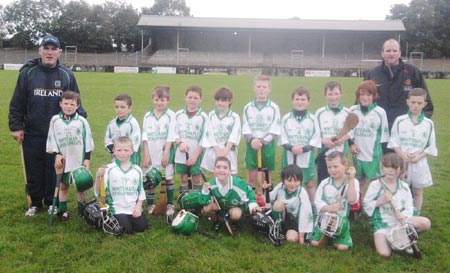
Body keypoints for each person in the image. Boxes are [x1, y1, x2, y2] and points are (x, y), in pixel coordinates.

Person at [9, 34, 87, 216]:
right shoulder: (27, 73)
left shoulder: (67, 75)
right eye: (47, 48)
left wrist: (81, 123)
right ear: (40, 51)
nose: (50, 52)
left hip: (59, 135)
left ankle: (52, 201)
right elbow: (17, 102)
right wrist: (16, 126)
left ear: (59, 52)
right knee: (34, 168)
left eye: (54, 49)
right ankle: (35, 202)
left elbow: (76, 103)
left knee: (54, 169)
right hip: (32, 131)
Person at [363, 153, 431, 257]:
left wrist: (404, 216)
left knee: (426, 223)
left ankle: (405, 238)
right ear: (382, 167)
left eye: (394, 167)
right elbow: (365, 204)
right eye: (387, 167)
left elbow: (409, 207)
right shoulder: (376, 185)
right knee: (384, 253)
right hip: (383, 223)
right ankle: (396, 239)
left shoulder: (404, 186)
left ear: (401, 170)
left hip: (401, 220)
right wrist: (380, 201)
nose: (390, 170)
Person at [364, 38, 434, 131]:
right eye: (388, 51)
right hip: (378, 130)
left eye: (395, 50)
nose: (391, 53)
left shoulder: (412, 72)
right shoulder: (372, 74)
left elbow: (426, 104)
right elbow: (361, 100)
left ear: (400, 53)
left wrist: (420, 124)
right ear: (382, 53)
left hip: (405, 131)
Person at [387, 88, 437, 215]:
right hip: (402, 161)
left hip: (419, 162)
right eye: (413, 102)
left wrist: (419, 156)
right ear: (407, 102)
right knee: (400, 189)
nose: (416, 106)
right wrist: (402, 155)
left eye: (419, 103)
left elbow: (430, 146)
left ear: (424, 104)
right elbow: (394, 142)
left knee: (418, 191)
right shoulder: (400, 120)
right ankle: (399, 213)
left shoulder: (428, 124)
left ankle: (415, 216)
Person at [46, 91, 94, 220]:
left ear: (77, 106)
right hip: (64, 160)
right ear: (60, 104)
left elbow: (88, 140)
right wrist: (56, 154)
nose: (69, 106)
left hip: (78, 159)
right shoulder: (55, 120)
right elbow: (52, 138)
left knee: (81, 186)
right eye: (66, 103)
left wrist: (87, 158)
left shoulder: (82, 121)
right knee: (63, 186)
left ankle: (82, 210)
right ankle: (63, 211)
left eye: (72, 104)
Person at [95, 136, 148, 234]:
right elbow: (98, 192)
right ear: (114, 151)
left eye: (126, 150)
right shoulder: (109, 169)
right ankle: (111, 220)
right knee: (126, 230)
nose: (122, 153)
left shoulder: (137, 170)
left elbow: (141, 192)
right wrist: (98, 177)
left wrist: (138, 207)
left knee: (142, 227)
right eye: (119, 150)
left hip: (132, 208)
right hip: (116, 210)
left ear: (132, 151)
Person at [280, 87, 321, 204]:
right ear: (292, 100)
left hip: (306, 157)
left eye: (303, 99)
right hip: (289, 156)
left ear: (308, 101)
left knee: (310, 183)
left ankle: (313, 208)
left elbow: (315, 138)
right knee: (288, 182)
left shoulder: (313, 119)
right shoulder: (286, 118)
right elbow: (283, 137)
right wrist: (291, 148)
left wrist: (304, 149)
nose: (300, 102)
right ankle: (288, 206)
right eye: (297, 99)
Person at [311, 151, 359, 251]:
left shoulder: (352, 182)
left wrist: (351, 180)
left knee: (342, 247)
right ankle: (327, 236)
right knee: (315, 243)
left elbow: (352, 200)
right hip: (325, 219)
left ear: (345, 165)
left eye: (335, 166)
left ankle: (337, 238)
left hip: (341, 221)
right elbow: (317, 202)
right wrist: (329, 208)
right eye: (329, 167)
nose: (332, 170)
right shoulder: (325, 183)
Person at [242, 75, 281, 193]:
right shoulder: (248, 107)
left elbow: (275, 127)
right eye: (259, 86)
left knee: (266, 176)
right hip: (252, 145)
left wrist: (264, 141)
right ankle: (251, 202)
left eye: (264, 87)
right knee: (252, 176)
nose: (261, 89)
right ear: (254, 88)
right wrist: (252, 140)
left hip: (267, 146)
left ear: (269, 89)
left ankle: (266, 201)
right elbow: (245, 126)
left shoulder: (274, 107)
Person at [201, 156, 261, 231]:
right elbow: (204, 201)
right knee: (206, 208)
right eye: (218, 167)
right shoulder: (211, 184)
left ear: (230, 171)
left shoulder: (238, 184)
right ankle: (217, 221)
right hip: (220, 207)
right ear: (214, 170)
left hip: (234, 207)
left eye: (225, 168)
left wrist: (253, 205)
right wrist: (205, 191)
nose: (221, 170)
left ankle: (233, 222)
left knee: (236, 214)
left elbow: (249, 192)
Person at [142, 85, 176, 216]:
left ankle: (169, 204)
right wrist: (146, 154)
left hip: (164, 153)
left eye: (162, 100)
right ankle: (151, 204)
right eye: (157, 99)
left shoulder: (170, 115)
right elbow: (145, 136)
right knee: (151, 179)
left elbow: (171, 135)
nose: (159, 103)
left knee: (168, 178)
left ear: (168, 100)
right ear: (153, 99)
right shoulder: (147, 116)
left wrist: (166, 152)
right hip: (151, 152)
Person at [349, 80, 389, 192]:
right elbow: (348, 132)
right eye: (362, 94)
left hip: (373, 156)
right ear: (358, 96)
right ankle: (357, 206)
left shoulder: (380, 112)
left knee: (374, 183)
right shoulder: (352, 110)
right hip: (357, 154)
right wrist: (351, 145)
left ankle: (372, 206)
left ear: (374, 96)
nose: (365, 97)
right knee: (359, 182)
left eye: (368, 94)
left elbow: (384, 137)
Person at [174, 85, 211, 194]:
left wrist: (195, 156)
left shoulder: (203, 117)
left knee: (196, 178)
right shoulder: (178, 115)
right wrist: (180, 143)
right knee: (184, 178)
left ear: (200, 99)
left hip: (196, 154)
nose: (192, 100)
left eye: (195, 98)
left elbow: (204, 138)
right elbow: (174, 132)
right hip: (181, 153)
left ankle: (197, 201)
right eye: (190, 97)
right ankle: (185, 200)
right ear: (185, 98)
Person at [266, 164, 314, 244]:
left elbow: (304, 214)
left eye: (296, 181)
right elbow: (269, 200)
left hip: (294, 221)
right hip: (282, 217)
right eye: (289, 180)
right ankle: (277, 229)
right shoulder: (280, 187)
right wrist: (265, 190)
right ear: (283, 180)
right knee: (278, 204)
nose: (292, 184)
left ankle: (286, 232)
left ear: (300, 181)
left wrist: (301, 237)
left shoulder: (302, 193)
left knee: (291, 239)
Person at [315, 81, 351, 184]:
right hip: (324, 155)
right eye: (330, 94)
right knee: (323, 183)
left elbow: (352, 132)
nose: (333, 97)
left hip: (341, 155)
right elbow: (315, 134)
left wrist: (343, 139)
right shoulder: (320, 113)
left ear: (341, 94)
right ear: (325, 95)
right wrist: (324, 141)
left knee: (340, 182)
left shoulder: (347, 112)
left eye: (336, 94)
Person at [201, 86, 241, 175]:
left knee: (228, 175)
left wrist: (225, 152)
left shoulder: (234, 117)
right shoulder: (211, 115)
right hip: (215, 150)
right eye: (218, 100)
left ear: (229, 101)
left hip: (228, 151)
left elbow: (234, 135)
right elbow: (209, 133)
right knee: (216, 174)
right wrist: (217, 150)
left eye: (223, 100)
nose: (220, 103)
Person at [104, 94, 141, 165]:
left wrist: (126, 151)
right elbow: (107, 139)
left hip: (131, 158)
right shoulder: (112, 123)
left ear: (129, 108)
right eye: (117, 107)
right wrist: (113, 151)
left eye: (122, 107)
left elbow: (135, 140)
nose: (119, 109)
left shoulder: (132, 123)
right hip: (116, 156)